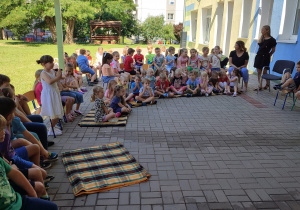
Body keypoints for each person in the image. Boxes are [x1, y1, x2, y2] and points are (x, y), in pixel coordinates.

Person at [37, 55, 64, 136]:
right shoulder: (43, 73)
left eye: (52, 62)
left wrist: (60, 75)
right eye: (50, 63)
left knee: (57, 111)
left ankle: (53, 126)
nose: (52, 64)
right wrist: (58, 77)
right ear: (43, 64)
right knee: (53, 111)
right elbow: (49, 82)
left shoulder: (52, 71)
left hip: (54, 92)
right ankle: (51, 129)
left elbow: (57, 79)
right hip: (48, 95)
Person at [254, 25, 277, 90]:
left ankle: (267, 83)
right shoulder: (261, 38)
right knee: (259, 71)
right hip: (259, 55)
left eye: (263, 30)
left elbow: (273, 50)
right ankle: (260, 85)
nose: (261, 31)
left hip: (265, 56)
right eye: (261, 30)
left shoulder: (272, 40)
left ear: (267, 30)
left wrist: (269, 54)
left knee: (264, 71)